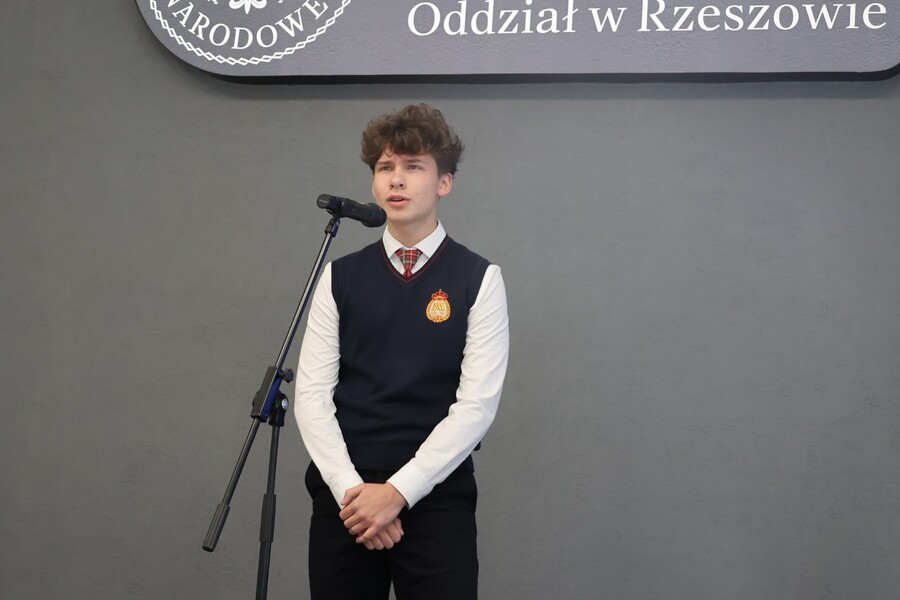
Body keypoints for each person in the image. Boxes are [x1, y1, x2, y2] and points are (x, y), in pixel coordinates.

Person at [294, 103, 509, 600]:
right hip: (346, 499)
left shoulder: (479, 278)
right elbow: (311, 395)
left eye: (414, 166)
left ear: (444, 182)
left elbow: (476, 406)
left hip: (436, 496)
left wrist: (398, 492)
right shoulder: (339, 276)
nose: (397, 179)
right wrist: (353, 493)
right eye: (385, 167)